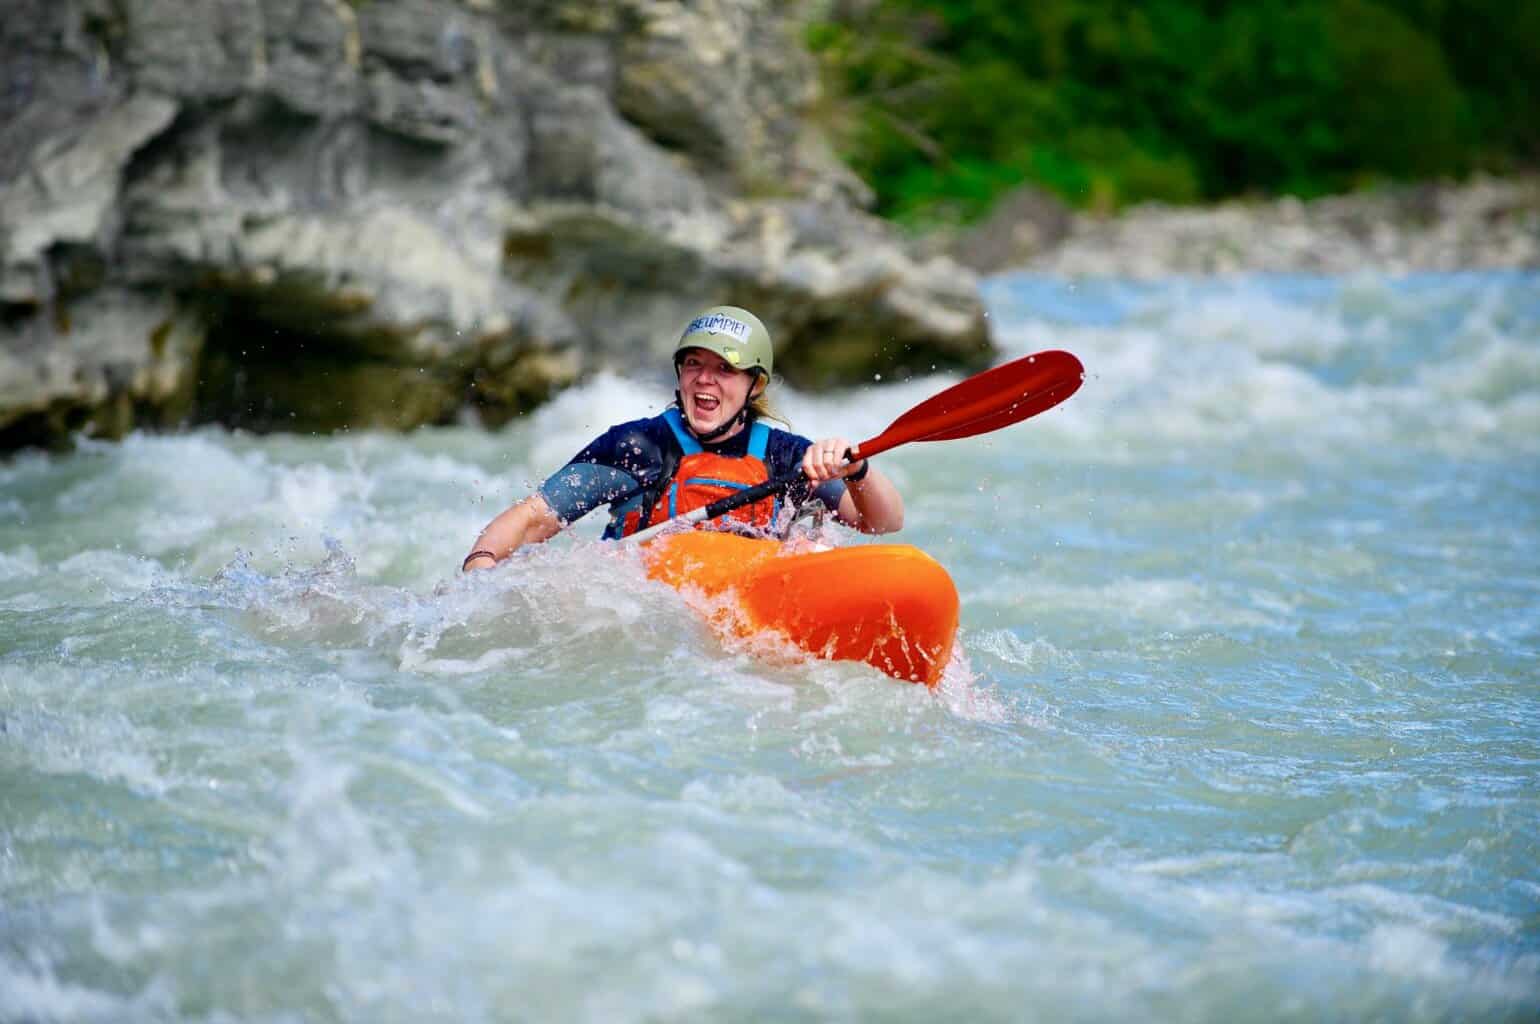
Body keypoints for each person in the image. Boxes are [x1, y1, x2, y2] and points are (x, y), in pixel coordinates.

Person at [461, 306, 904, 571]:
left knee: (812, 549)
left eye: (724, 369)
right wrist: (480, 567)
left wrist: (857, 471)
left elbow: (882, 522)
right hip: (651, 609)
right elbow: (530, 519)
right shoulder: (638, 448)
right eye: (694, 364)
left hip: (747, 604)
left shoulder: (784, 455)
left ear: (756, 386)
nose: (704, 380)